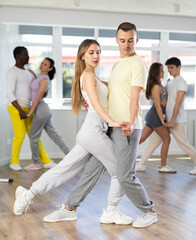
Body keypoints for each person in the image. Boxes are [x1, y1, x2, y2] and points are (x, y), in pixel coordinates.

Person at [44, 22, 158, 229]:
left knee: (124, 175)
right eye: (122, 40)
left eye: (130, 40)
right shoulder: (117, 64)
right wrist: (90, 95)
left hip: (126, 126)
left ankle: (148, 211)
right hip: (110, 126)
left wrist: (131, 123)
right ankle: (69, 208)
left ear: (137, 40)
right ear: (117, 41)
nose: (126, 44)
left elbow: (134, 98)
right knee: (92, 169)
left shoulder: (138, 64)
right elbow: (112, 88)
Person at [13, 39, 133, 225]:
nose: (96, 56)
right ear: (82, 56)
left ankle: (27, 195)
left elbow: (109, 93)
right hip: (94, 131)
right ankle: (111, 210)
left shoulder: (93, 76)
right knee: (119, 171)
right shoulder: (87, 76)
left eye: (98, 52)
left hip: (91, 131)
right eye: (91, 52)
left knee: (64, 169)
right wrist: (114, 122)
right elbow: (96, 105)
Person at [136, 57, 196, 175]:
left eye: (172, 67)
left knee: (183, 143)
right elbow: (162, 100)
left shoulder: (182, 82)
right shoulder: (169, 82)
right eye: (167, 68)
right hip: (165, 119)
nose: (169, 70)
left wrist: (172, 120)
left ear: (179, 68)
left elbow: (177, 103)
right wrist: (165, 118)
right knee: (154, 141)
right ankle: (141, 164)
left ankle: (142, 163)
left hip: (176, 119)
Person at [6, 46, 56, 171]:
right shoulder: (12, 71)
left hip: (28, 108)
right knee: (19, 135)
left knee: (34, 135)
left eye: (27, 54)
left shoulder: (28, 72)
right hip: (16, 107)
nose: (27, 56)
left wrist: (43, 93)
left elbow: (37, 89)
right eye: (24, 54)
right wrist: (20, 110)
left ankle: (46, 161)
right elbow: (9, 93)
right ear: (17, 56)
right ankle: (14, 162)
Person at [23, 58, 70, 170]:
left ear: (49, 68)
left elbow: (37, 98)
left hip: (41, 109)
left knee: (33, 135)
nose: (42, 65)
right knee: (55, 135)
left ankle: (35, 163)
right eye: (42, 63)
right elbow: (35, 82)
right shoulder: (40, 77)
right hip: (43, 110)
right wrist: (32, 72)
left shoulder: (45, 80)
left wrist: (30, 113)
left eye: (45, 65)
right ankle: (71, 157)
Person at [138, 63, 176, 173]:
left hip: (153, 116)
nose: (163, 72)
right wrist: (162, 120)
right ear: (156, 73)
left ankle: (138, 163)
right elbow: (158, 105)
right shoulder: (155, 86)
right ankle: (163, 166)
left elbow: (163, 100)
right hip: (155, 116)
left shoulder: (159, 84)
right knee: (167, 139)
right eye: (161, 70)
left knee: (139, 140)